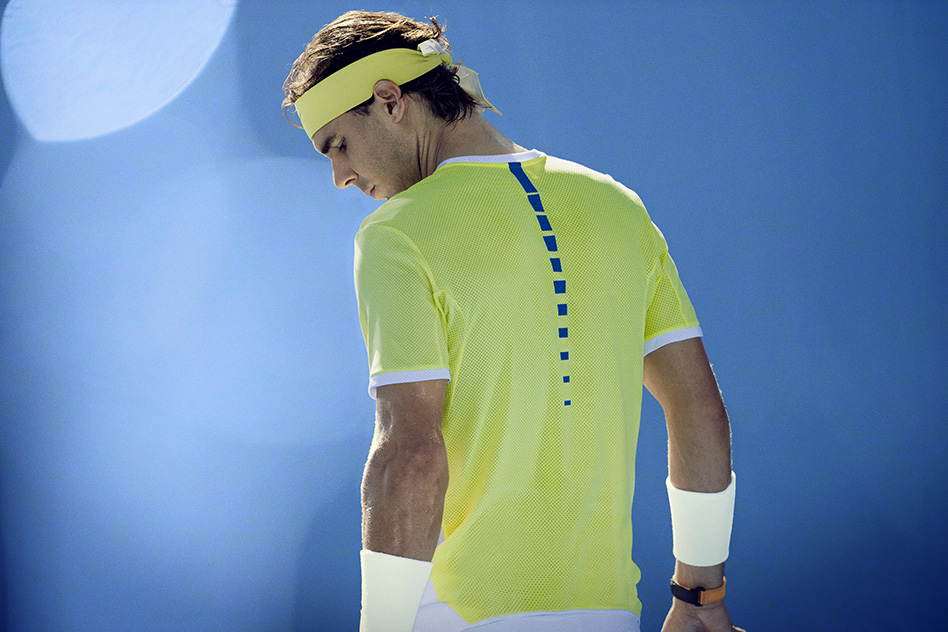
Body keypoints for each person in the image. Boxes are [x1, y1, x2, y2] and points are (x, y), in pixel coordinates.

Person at [283, 10, 743, 632]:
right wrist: (698, 600)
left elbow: (410, 454)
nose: (341, 177)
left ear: (390, 100)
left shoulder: (396, 235)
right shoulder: (619, 207)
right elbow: (699, 410)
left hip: (460, 617)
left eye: (338, 144)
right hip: (608, 614)